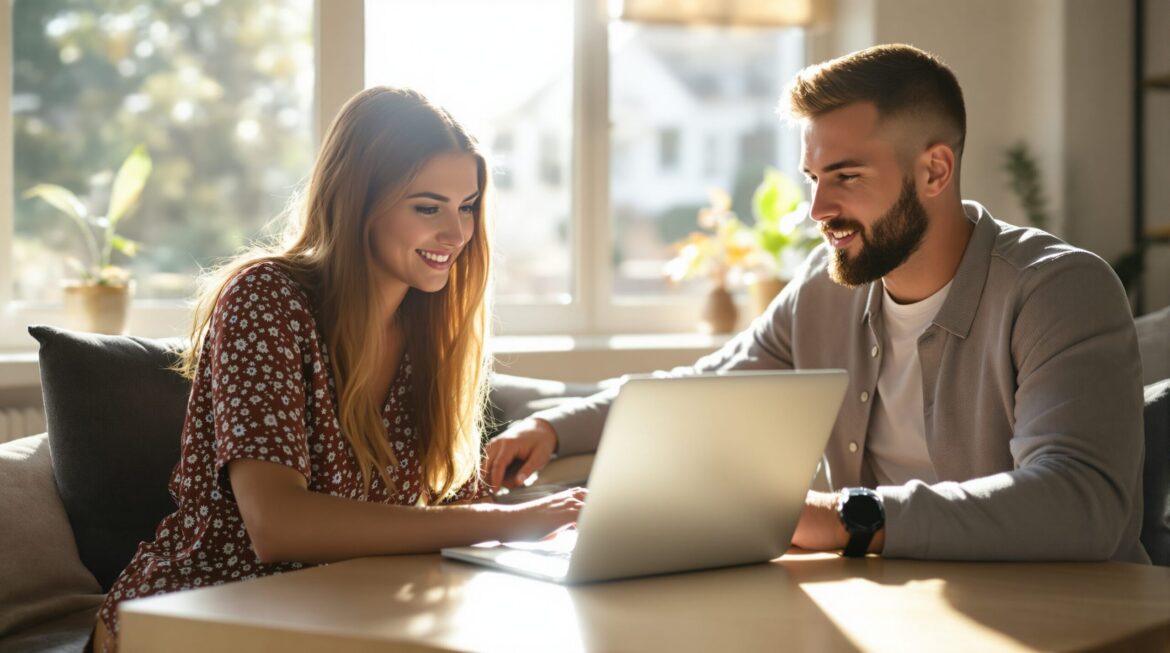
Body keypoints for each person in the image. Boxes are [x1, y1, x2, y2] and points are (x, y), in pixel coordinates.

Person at [486, 44, 1148, 564]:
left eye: (847, 176)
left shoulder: (1059, 290)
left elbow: (1078, 501)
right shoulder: (826, 289)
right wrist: (553, 427)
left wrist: (845, 516)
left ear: (936, 170)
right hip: (893, 606)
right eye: (813, 177)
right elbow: (704, 387)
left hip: (1069, 620)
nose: (818, 210)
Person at [92, 87, 585, 652]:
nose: (456, 234)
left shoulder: (429, 325)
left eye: (467, 206)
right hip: (198, 611)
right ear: (358, 202)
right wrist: (501, 524)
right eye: (428, 208)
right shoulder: (264, 299)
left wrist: (560, 518)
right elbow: (277, 525)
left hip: (344, 608)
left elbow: (450, 511)